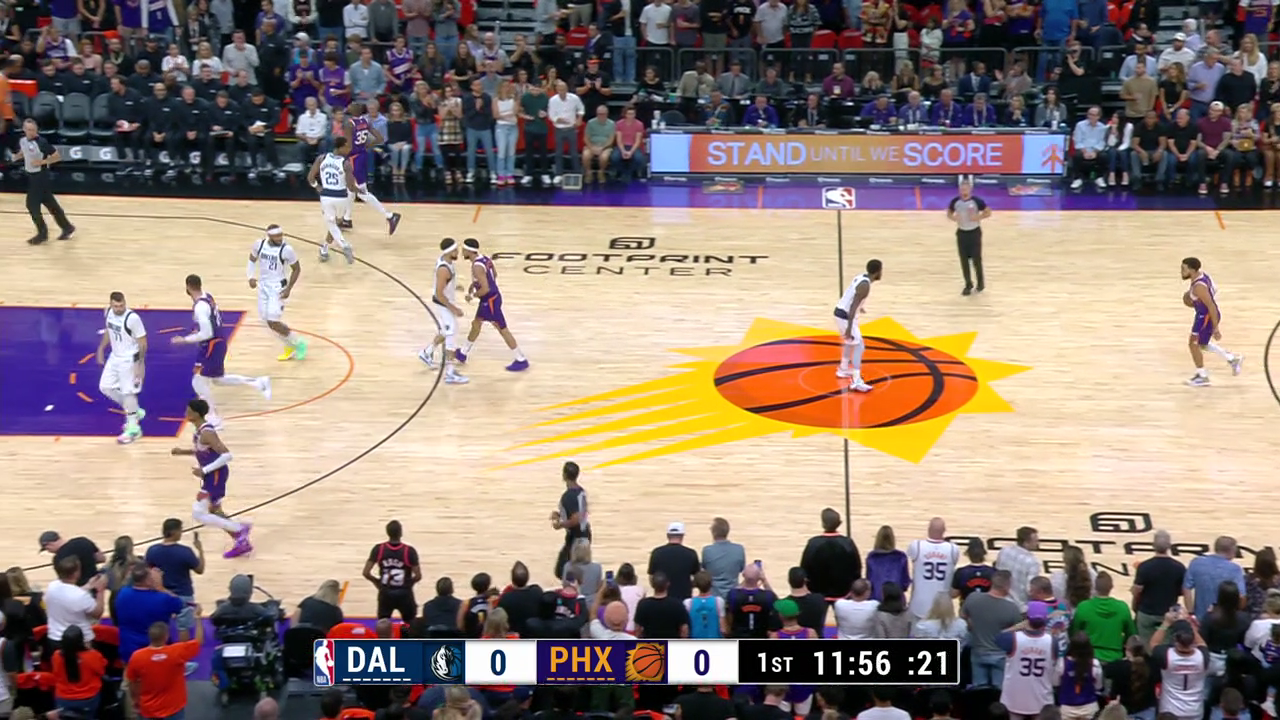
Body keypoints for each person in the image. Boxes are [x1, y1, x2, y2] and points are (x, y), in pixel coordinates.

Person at [171, 274, 272, 427]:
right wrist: (198, 330)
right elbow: (212, 322)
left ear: (188, 287)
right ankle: (259, 382)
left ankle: (214, 418)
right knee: (217, 380)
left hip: (212, 345)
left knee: (198, 382)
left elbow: (207, 333)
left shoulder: (200, 307)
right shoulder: (207, 296)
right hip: (216, 343)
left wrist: (184, 340)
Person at [170, 398, 254, 558]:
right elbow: (202, 451)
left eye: (188, 411)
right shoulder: (199, 430)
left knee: (198, 513)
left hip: (215, 476)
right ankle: (241, 541)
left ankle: (239, 528)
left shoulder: (207, 432)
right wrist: (183, 452)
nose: (185, 413)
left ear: (196, 414)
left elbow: (227, 455)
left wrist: (204, 470)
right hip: (212, 475)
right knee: (215, 511)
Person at [456, 237, 529, 372]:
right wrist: (475, 284)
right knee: (476, 324)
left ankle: (521, 359)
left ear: (469, 251)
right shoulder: (484, 259)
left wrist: (472, 295)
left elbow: (486, 289)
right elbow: (494, 274)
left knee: (502, 329)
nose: (462, 252)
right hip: (491, 299)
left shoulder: (477, 267)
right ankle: (463, 353)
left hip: (490, 301)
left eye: (464, 249)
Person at [126, 612, 205, 720]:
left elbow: (132, 683)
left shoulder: (137, 656)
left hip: (149, 710)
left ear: (149, 637)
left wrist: (135, 699)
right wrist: (198, 618)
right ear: (166, 636)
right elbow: (198, 642)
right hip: (173, 709)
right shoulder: (177, 652)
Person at [340, 101, 402, 234]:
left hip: (353, 158)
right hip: (362, 156)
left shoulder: (349, 124)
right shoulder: (365, 121)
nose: (349, 105)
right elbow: (379, 138)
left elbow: (348, 146)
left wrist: (340, 155)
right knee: (350, 189)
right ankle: (347, 219)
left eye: (351, 105)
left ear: (354, 110)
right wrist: (366, 146)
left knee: (361, 192)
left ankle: (390, 216)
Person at [247, 224, 307, 361]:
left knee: (273, 321)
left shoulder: (287, 249)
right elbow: (251, 260)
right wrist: (250, 277)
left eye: (281, 235)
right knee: (265, 321)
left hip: (278, 288)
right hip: (263, 286)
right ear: (269, 236)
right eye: (276, 236)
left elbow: (297, 269)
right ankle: (290, 345)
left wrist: (289, 288)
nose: (280, 238)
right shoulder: (259, 244)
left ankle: (298, 343)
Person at [1180, 257, 1243, 386]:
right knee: (1202, 344)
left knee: (1193, 344)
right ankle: (1232, 359)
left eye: (1184, 269)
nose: (1181, 272)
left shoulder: (1199, 287)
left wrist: (1215, 327)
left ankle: (1202, 376)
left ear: (1192, 270)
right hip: (1205, 314)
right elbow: (1214, 292)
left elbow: (1211, 306)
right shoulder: (1202, 276)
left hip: (1206, 316)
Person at [96, 291, 148, 444]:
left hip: (130, 359)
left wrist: (139, 364)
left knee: (128, 392)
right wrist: (101, 348)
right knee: (105, 387)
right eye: (116, 306)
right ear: (111, 304)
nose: (119, 308)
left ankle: (133, 429)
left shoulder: (133, 319)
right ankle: (134, 410)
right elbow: (109, 331)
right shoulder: (108, 312)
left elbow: (143, 343)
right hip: (115, 357)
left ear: (125, 303)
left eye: (121, 305)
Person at [418, 238, 470, 385]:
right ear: (449, 252)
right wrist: (454, 308)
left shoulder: (447, 263)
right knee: (451, 334)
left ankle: (427, 353)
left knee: (445, 331)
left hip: (445, 303)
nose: (458, 252)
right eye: (455, 250)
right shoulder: (444, 269)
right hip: (443, 304)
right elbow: (439, 294)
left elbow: (444, 284)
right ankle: (450, 373)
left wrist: (455, 286)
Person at [19, 118, 75, 245]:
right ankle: (67, 227)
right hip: (32, 175)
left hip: (40, 176)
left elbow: (57, 157)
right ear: (24, 129)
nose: (31, 132)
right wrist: (16, 156)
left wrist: (42, 162)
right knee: (50, 203)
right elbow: (24, 151)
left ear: (36, 130)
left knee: (31, 204)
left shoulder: (42, 142)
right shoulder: (23, 141)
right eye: (28, 130)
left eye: (33, 130)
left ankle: (42, 234)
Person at [998, 601, 1057, 717]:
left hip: (1014, 699)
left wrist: (1019, 626)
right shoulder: (1053, 642)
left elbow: (999, 636)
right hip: (1041, 701)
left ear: (1027, 619)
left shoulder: (1012, 638)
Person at [833, 259, 884, 392]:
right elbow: (853, 306)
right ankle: (856, 381)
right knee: (859, 346)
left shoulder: (861, 277)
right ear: (877, 272)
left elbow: (852, 297)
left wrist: (860, 307)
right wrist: (849, 328)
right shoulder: (865, 286)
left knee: (850, 342)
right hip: (846, 317)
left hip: (840, 312)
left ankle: (843, 369)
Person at [307, 135, 358, 263]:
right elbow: (351, 187)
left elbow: (310, 178)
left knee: (332, 225)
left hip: (326, 197)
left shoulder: (321, 158)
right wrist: (361, 191)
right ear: (340, 147)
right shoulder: (346, 164)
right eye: (347, 147)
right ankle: (327, 249)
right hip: (341, 198)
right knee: (335, 224)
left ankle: (341, 246)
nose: (349, 150)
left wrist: (317, 187)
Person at [364, 520, 422, 624]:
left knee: (382, 623)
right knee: (410, 624)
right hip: (404, 593)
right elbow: (418, 576)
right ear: (401, 532)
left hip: (385, 592)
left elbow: (366, 572)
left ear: (387, 532)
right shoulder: (409, 551)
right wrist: (409, 584)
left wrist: (377, 582)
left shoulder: (379, 549)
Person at [908, 517, 961, 619]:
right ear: (944, 531)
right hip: (943, 607)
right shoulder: (953, 549)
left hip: (919, 605)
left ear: (928, 529)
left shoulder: (916, 546)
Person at [947, 180, 991, 295]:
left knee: (976, 260)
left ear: (970, 189)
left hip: (974, 233)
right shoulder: (955, 201)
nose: (963, 191)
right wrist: (954, 218)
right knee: (964, 261)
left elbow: (988, 212)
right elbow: (949, 213)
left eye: (965, 189)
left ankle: (980, 283)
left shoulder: (977, 201)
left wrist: (978, 217)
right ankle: (968, 284)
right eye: (962, 189)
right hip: (961, 233)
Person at [52, 625, 107, 717]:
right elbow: (102, 671)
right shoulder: (93, 655)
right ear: (81, 641)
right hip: (88, 699)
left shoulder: (56, 656)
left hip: (63, 699)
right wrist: (90, 649)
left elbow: (56, 674)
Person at [551, 461, 590, 579]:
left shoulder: (568, 496)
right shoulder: (581, 491)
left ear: (564, 475)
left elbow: (576, 519)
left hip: (576, 537)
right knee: (573, 570)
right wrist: (560, 515)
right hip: (584, 533)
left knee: (562, 570)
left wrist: (560, 525)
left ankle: (574, 589)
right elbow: (579, 512)